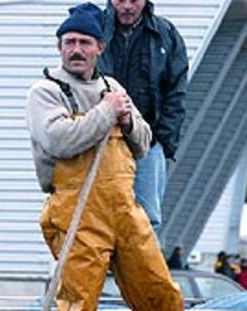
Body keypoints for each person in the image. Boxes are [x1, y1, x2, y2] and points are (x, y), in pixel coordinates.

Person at [26, 3, 183, 310]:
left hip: (125, 209)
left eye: (84, 42)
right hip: (76, 214)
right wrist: (106, 112)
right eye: (69, 42)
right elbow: (60, 141)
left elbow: (144, 142)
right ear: (59, 47)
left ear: (100, 47)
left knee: (160, 292)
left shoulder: (113, 87)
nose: (76, 49)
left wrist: (126, 121)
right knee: (78, 301)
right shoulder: (45, 91)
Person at [98, 0, 188, 237]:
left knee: (147, 221)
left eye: (134, 0)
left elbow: (176, 92)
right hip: (99, 140)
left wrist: (164, 140)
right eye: (120, 0)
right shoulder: (94, 29)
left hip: (148, 144)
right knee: (98, 217)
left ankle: (143, 274)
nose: (127, 6)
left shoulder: (166, 35)